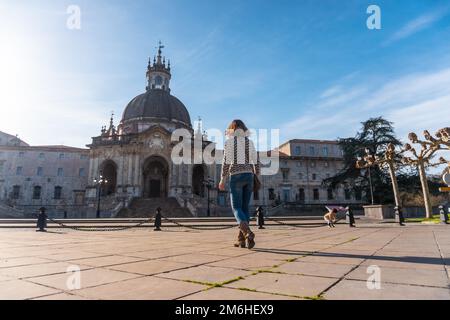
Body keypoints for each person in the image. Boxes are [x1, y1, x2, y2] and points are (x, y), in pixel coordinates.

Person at [219, 119, 260, 249]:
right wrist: (256, 175)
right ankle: (241, 240)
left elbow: (226, 162)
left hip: (236, 176)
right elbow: (256, 161)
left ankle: (248, 232)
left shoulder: (229, 143)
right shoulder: (249, 142)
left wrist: (222, 179)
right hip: (249, 176)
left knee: (236, 208)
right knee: (245, 208)